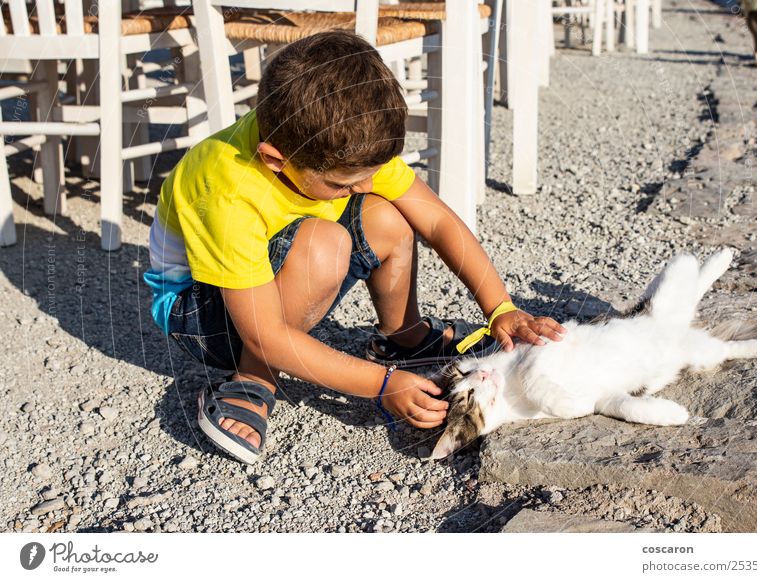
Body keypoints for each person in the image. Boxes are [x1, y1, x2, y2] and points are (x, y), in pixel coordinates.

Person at [144, 31, 566, 464]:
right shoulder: (228, 189)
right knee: (323, 244)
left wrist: (500, 308)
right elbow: (265, 333)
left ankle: (405, 337)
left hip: (272, 271)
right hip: (201, 313)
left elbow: (436, 220)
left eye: (369, 174)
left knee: (385, 214)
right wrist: (382, 384)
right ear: (276, 160)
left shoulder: (337, 144)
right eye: (344, 184)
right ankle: (254, 378)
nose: (363, 187)